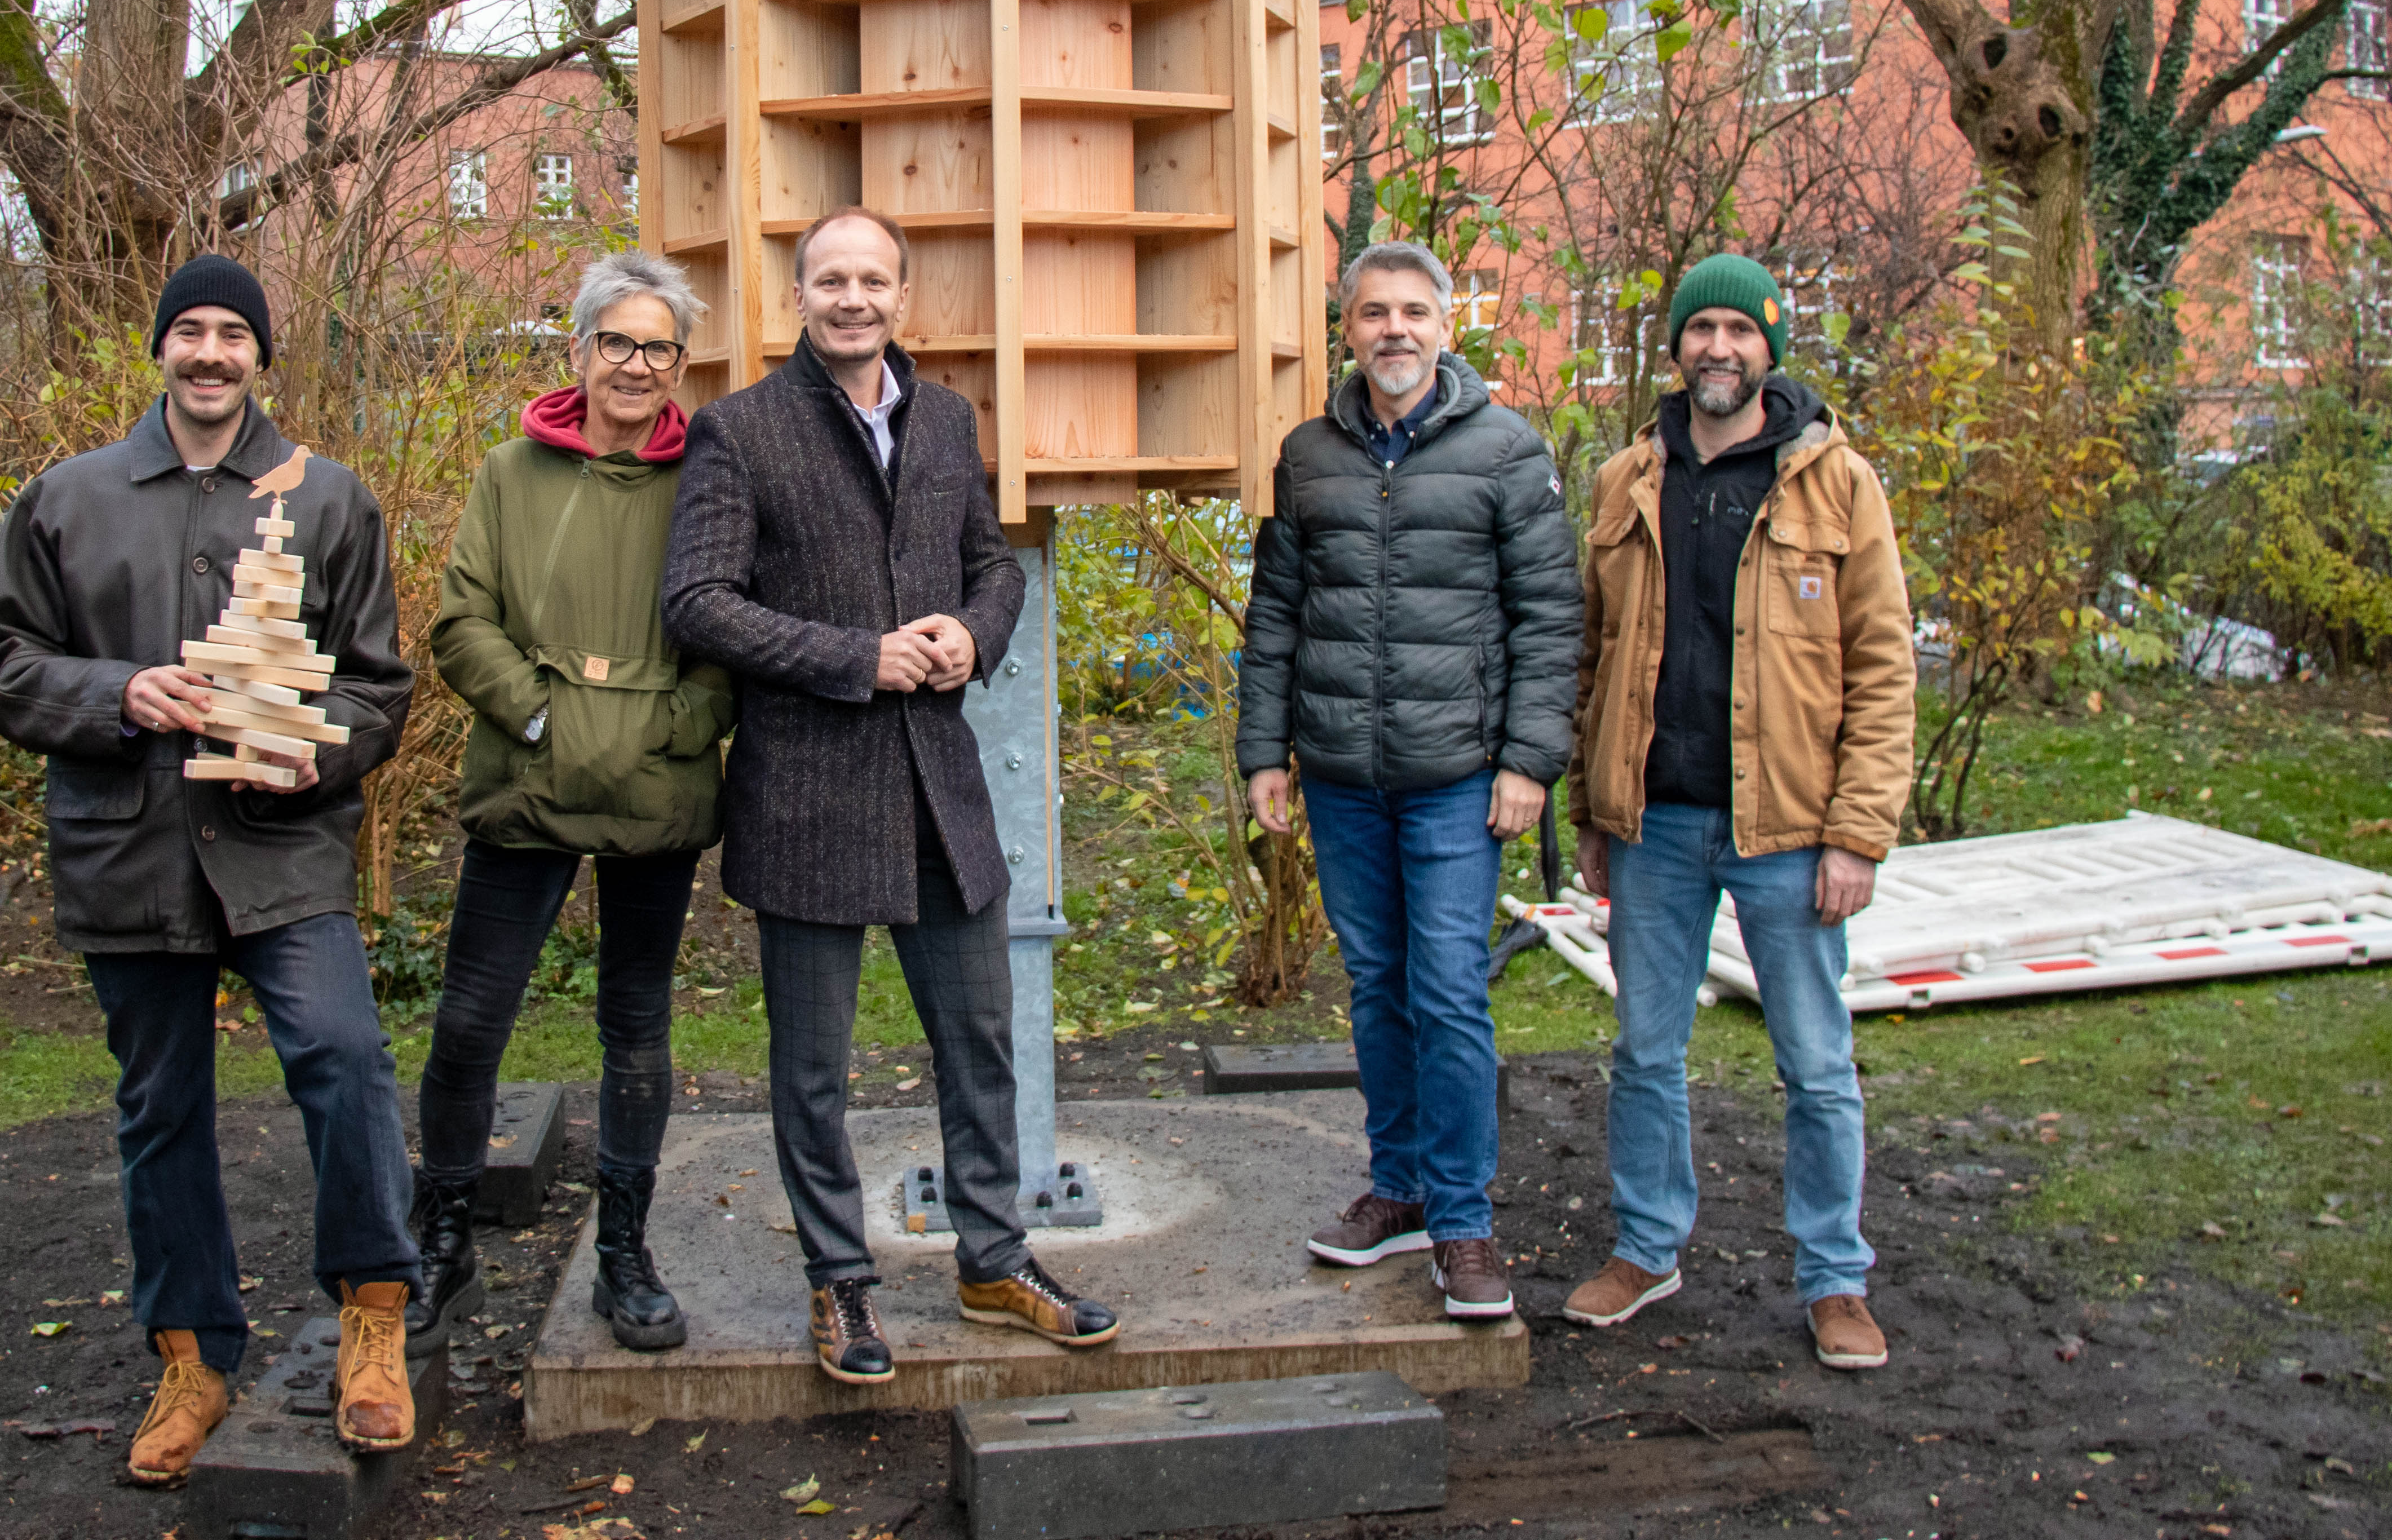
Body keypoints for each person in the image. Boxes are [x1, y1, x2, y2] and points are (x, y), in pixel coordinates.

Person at [0, 253, 421, 1484]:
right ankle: (193, 1355)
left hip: (280, 847)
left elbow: (378, 686)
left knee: (345, 1056)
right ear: (160, 347)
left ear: (262, 355)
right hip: (132, 848)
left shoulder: (328, 497)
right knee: (160, 1106)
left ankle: (374, 1316)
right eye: (192, 331)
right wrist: (118, 691)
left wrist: (318, 753)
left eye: (234, 334)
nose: (211, 352)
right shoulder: (69, 497)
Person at [661, 206, 1122, 1386]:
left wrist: (974, 634)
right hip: (807, 791)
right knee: (813, 1068)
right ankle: (839, 1280)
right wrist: (853, 656)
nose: (852, 298)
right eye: (831, 279)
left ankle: (993, 1259)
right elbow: (698, 601)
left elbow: (990, 566)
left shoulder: (948, 418)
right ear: (799, 296)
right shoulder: (739, 430)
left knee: (978, 1041)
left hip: (936, 789)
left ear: (901, 297)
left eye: (872, 279)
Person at [1560, 254, 1914, 1371]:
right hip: (1654, 825)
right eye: (1700, 327)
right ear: (1675, 346)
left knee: (1815, 1063)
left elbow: (1883, 666)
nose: (1718, 347)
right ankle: (1646, 1247)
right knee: (1642, 1050)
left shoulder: (1836, 482)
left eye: (1740, 329)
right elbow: (1590, 656)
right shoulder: (1626, 479)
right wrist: (1590, 808)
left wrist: (1858, 832)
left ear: (1770, 347)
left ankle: (1835, 1277)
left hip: (1791, 830)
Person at [1236, 239, 1582, 1322]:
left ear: (1445, 325)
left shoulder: (1507, 451)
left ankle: (1464, 1222)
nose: (1395, 330)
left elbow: (1549, 618)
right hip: (1343, 776)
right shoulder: (1308, 457)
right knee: (1380, 988)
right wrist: (1263, 752)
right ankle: (1400, 1190)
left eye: (1414, 312)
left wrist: (1528, 760)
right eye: (1374, 312)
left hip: (1456, 780)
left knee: (1448, 993)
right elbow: (1276, 617)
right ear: (1347, 329)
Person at [414, 253, 733, 1355]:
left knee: (636, 1027)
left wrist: (668, 727)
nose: (636, 365)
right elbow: (463, 622)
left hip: (656, 793)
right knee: (469, 1020)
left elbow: (731, 630)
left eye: (658, 347)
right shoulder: (511, 473)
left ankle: (623, 1253)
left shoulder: (711, 480)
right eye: (616, 342)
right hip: (526, 782)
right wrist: (546, 719)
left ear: (679, 363)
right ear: (579, 349)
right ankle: (442, 1239)